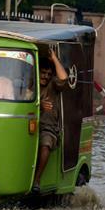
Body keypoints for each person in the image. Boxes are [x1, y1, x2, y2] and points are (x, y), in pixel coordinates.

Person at [31, 50, 68, 194]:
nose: (45, 76)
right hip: (28, 126)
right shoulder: (30, 84)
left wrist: (54, 58)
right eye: (43, 72)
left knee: (45, 144)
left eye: (48, 73)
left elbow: (64, 78)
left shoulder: (53, 85)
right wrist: (39, 106)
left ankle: (37, 180)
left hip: (48, 128)